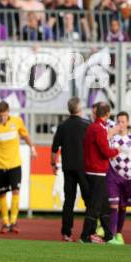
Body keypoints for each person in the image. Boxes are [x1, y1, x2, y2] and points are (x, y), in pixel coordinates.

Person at [0, 101, 36, 234]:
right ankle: (5, 223)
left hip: (15, 164)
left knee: (16, 191)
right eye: (0, 115)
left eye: (4, 115)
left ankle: (14, 221)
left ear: (8, 113)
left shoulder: (17, 122)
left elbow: (25, 135)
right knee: (2, 194)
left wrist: (32, 148)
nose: (3, 118)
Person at [80, 102, 120, 244]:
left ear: (96, 113)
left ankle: (109, 236)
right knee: (95, 207)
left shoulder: (91, 128)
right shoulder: (100, 129)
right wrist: (116, 150)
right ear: (107, 114)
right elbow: (105, 152)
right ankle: (85, 236)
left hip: (90, 171)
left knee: (103, 206)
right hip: (97, 173)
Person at [51, 97, 90, 242]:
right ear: (80, 109)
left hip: (67, 168)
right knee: (89, 200)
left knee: (69, 201)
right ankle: (89, 231)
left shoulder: (62, 126)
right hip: (84, 168)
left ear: (69, 109)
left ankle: (66, 232)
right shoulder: (87, 125)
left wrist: (53, 165)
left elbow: (54, 148)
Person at [106, 111, 131, 245]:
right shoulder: (112, 138)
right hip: (114, 176)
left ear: (127, 122)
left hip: (128, 178)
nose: (121, 124)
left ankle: (119, 234)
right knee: (113, 205)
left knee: (123, 207)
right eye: (118, 122)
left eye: (123, 122)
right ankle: (111, 235)